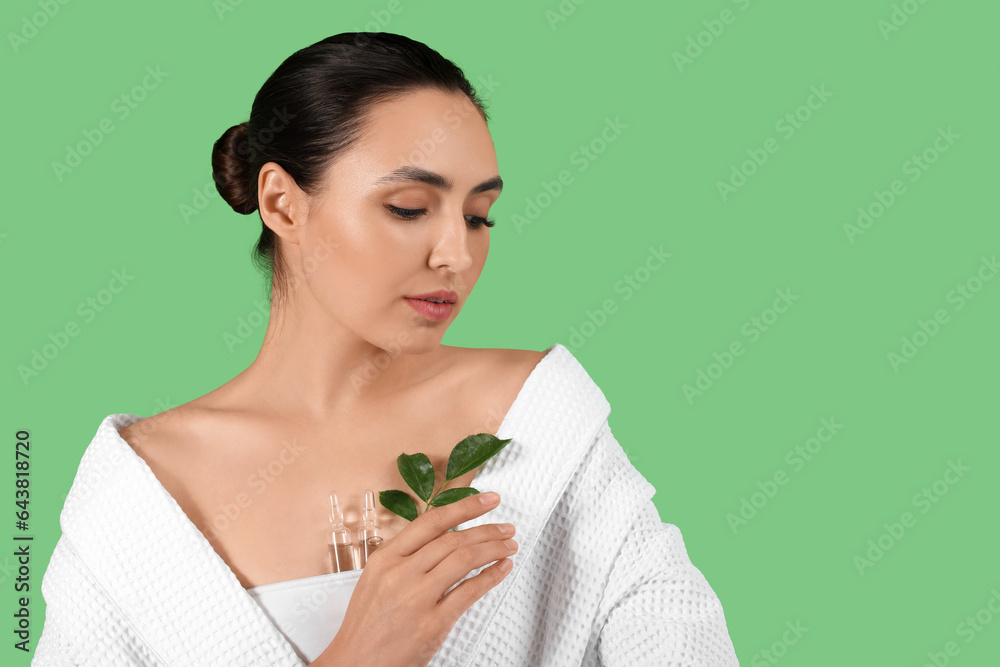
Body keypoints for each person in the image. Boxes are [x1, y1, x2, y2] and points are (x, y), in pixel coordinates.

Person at [33, 32, 738, 666]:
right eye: (408, 208)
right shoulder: (137, 502)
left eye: (478, 215)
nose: (456, 254)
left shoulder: (540, 425)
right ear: (283, 204)